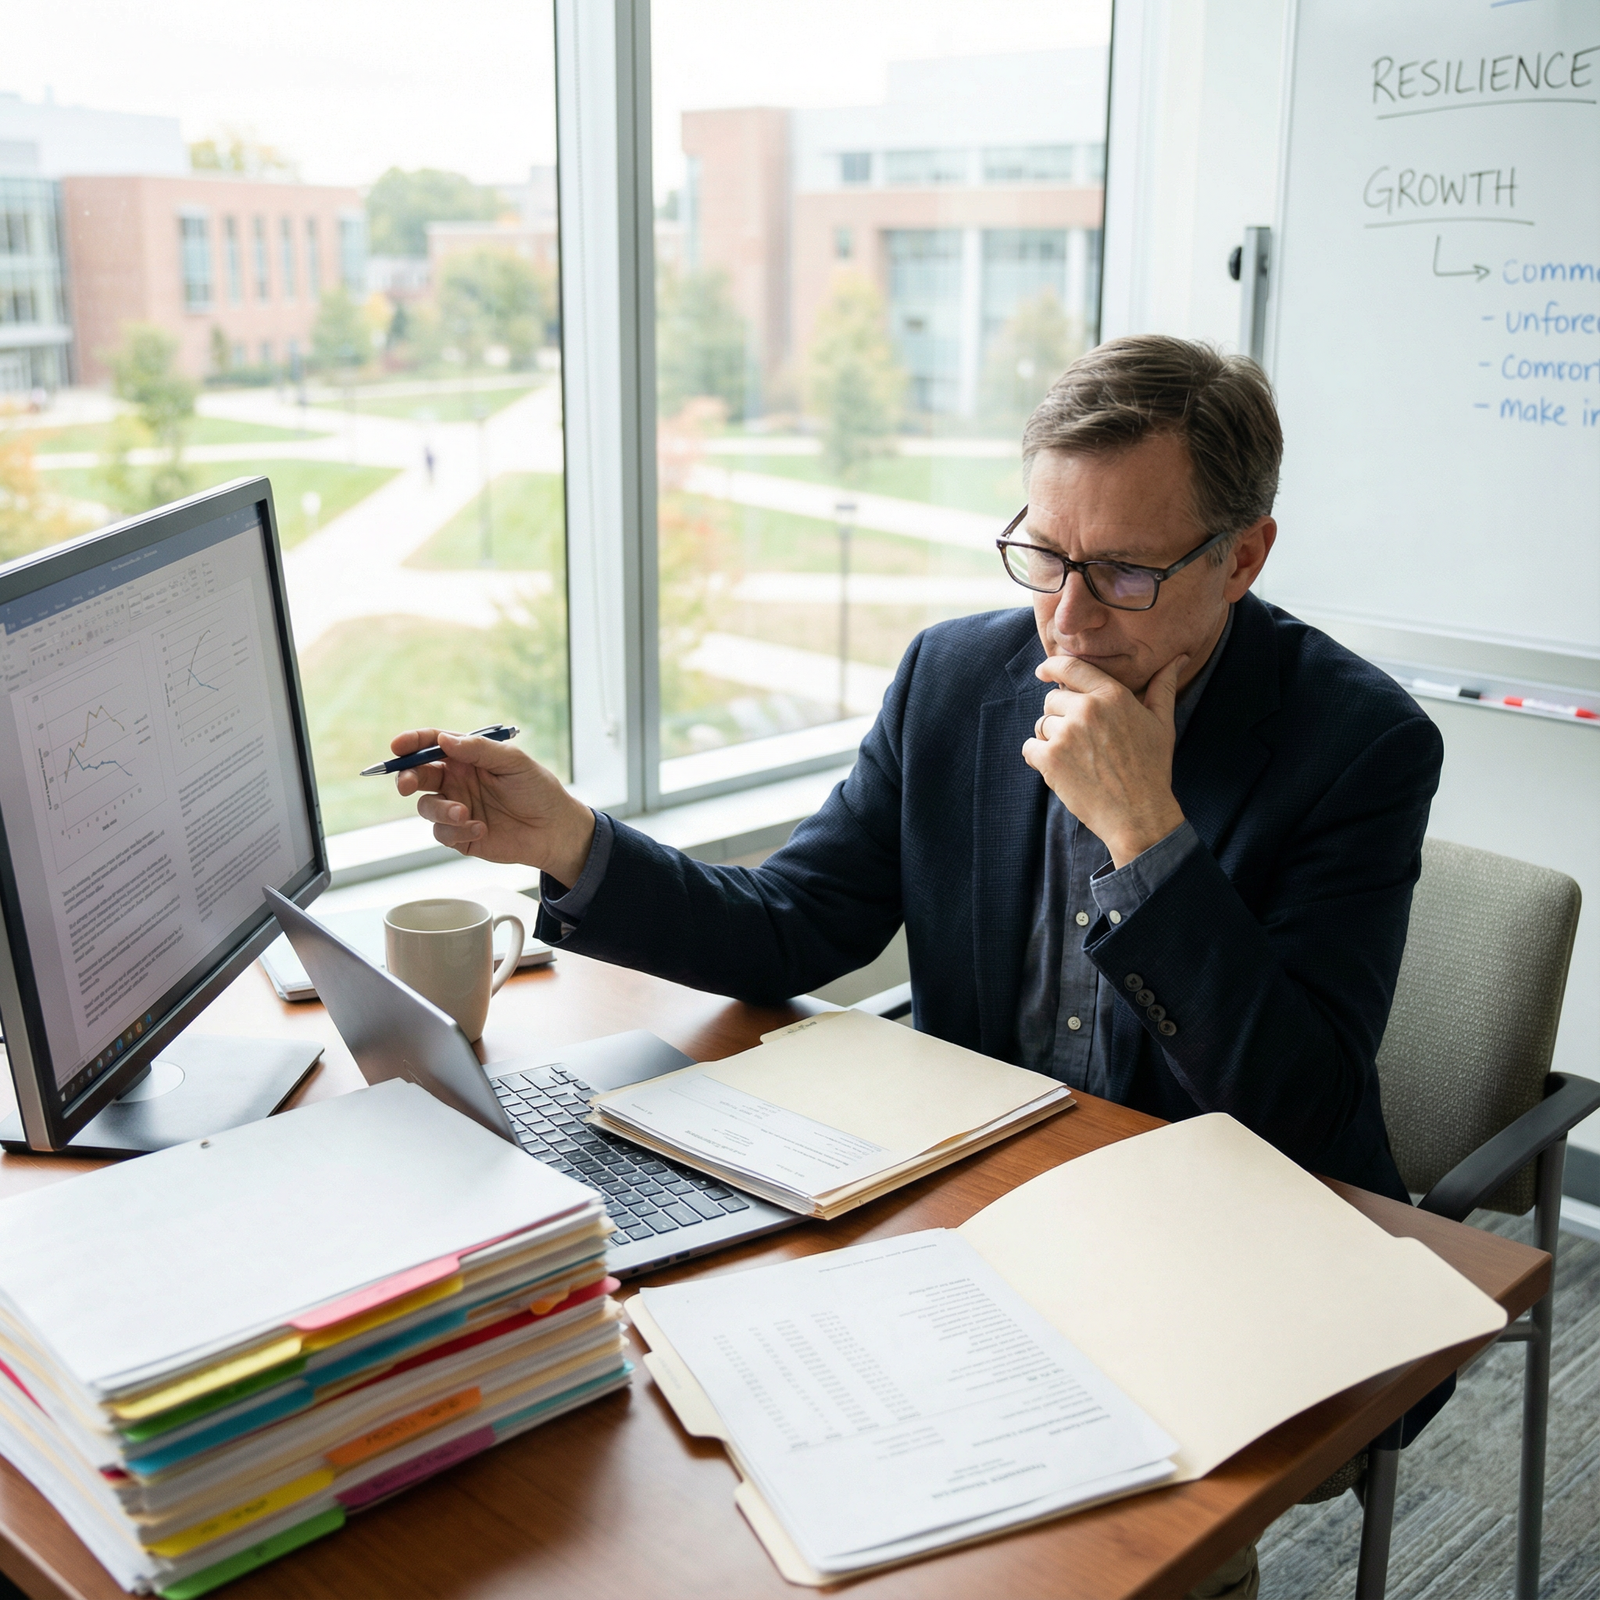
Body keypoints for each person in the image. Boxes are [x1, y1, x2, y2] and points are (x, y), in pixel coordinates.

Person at [391, 338, 1445, 1597]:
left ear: (1243, 556)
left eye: (1121, 572)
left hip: (1221, 1247)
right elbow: (793, 923)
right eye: (1045, 555)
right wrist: (566, 839)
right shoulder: (955, 678)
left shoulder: (1358, 744)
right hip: (978, 1219)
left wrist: (1145, 837)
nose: (1065, 618)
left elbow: (1298, 1108)